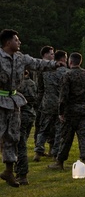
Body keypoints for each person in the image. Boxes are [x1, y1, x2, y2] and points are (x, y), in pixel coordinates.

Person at [1, 31, 64, 187]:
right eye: (16, 40)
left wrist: (54, 64)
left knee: (13, 137)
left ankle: (9, 172)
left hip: (14, 101)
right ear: (8, 43)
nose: (19, 42)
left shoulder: (21, 58)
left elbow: (38, 63)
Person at [50, 52, 85, 171]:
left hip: (70, 111)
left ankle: (59, 162)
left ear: (70, 62)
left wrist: (61, 112)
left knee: (66, 138)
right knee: (84, 137)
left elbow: (63, 96)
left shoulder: (67, 75)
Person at [33, 48, 67, 161]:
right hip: (59, 104)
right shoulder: (65, 71)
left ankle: (38, 151)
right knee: (58, 130)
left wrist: (39, 102)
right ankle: (55, 153)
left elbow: (40, 88)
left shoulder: (44, 71)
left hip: (47, 103)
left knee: (43, 129)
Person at [14, 72, 38, 185]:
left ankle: (22, 175)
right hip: (30, 114)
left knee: (20, 145)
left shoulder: (18, 84)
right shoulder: (32, 83)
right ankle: (18, 172)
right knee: (20, 144)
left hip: (20, 116)